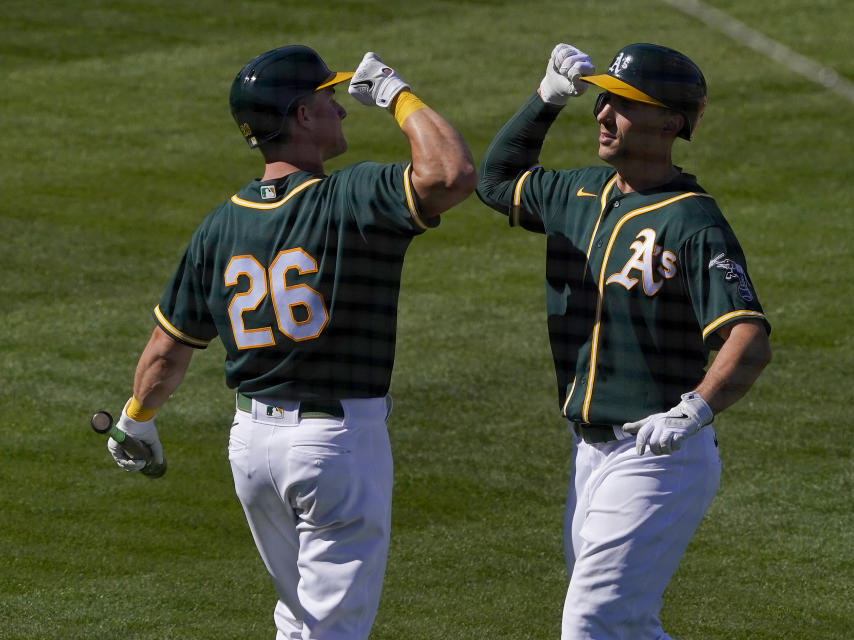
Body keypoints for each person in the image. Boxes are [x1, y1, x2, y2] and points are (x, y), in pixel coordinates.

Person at [105, 45, 476, 639]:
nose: (342, 111)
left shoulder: (220, 224)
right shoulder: (349, 198)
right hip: (335, 446)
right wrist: (396, 94)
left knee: (297, 621)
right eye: (330, 100)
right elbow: (450, 173)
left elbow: (166, 350)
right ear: (302, 116)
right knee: (333, 630)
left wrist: (137, 417)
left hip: (251, 448)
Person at [475, 42, 772, 639]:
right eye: (604, 99)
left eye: (625, 104)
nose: (603, 114)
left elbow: (749, 334)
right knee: (623, 626)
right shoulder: (578, 193)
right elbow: (495, 180)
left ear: (672, 123)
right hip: (589, 455)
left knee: (592, 622)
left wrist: (696, 409)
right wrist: (546, 98)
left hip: (657, 455)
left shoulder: (693, 220)